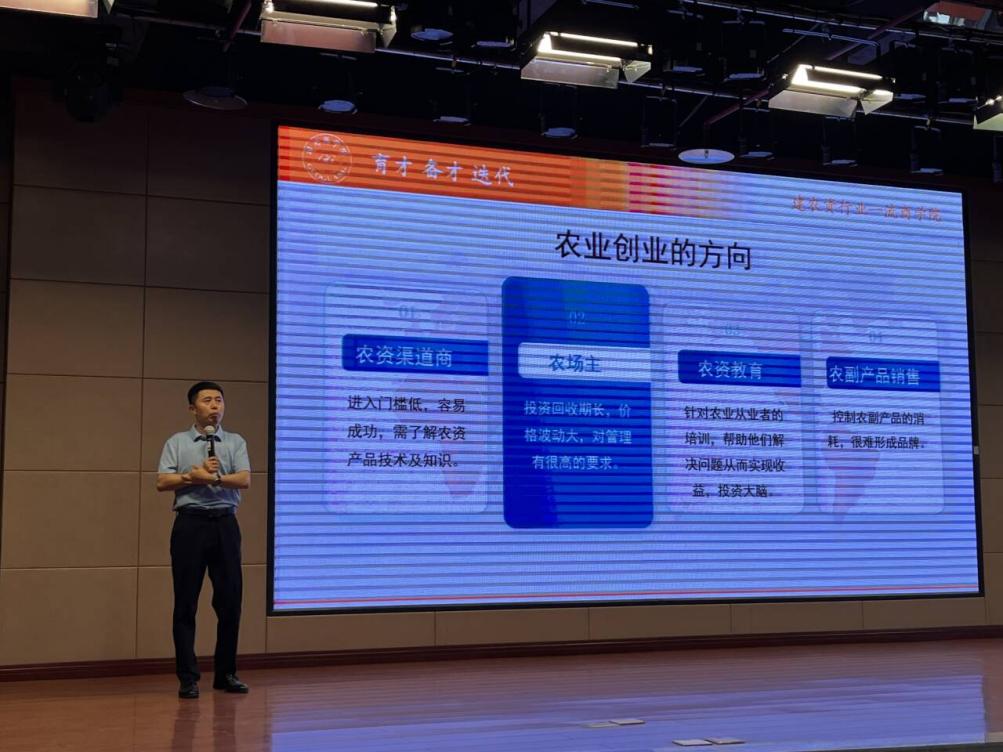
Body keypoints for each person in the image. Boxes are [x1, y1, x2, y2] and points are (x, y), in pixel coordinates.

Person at [156, 381, 252, 699]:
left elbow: (244, 479)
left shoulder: (235, 441)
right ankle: (188, 678)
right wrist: (189, 477)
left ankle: (226, 674)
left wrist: (213, 478)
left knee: (230, 602)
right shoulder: (177, 442)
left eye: (219, 400)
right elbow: (162, 481)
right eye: (207, 400)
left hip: (225, 524)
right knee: (186, 602)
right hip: (190, 525)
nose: (215, 406)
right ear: (192, 408)